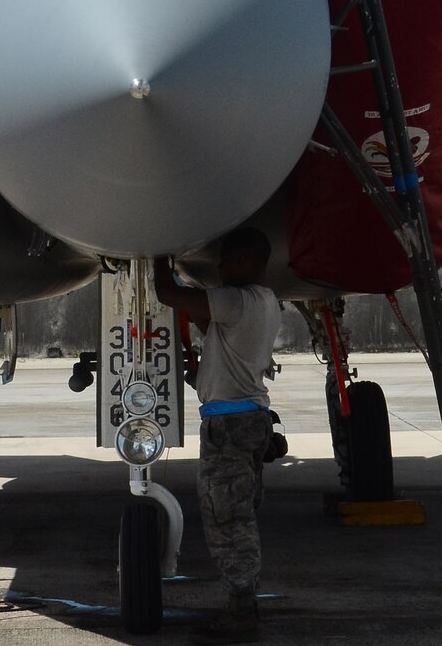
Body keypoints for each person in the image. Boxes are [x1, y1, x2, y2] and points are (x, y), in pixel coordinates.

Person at [155, 228, 282, 644]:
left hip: (229, 429)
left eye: (225, 261)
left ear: (244, 262)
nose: (221, 268)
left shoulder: (237, 299)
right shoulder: (264, 302)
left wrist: (157, 255)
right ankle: (243, 604)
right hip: (248, 419)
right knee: (239, 512)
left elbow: (168, 296)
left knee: (230, 521)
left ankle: (242, 612)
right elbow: (211, 326)